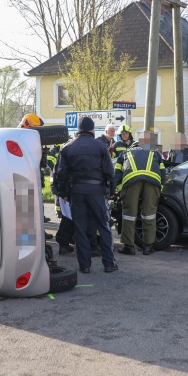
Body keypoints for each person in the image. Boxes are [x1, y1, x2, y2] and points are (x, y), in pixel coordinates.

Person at [56, 116, 117, 273]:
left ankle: (85, 266)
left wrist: (63, 192)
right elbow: (109, 172)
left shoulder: (67, 147)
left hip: (77, 191)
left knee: (80, 229)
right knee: (103, 226)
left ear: (78, 129)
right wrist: (110, 192)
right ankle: (109, 264)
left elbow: (61, 173)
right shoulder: (100, 146)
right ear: (92, 129)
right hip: (97, 191)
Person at [114, 139, 165, 255]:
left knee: (129, 215)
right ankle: (148, 247)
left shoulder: (125, 153)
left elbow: (117, 172)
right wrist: (160, 187)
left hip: (131, 181)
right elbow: (163, 171)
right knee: (149, 214)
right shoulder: (154, 153)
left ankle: (129, 247)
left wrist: (119, 189)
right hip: (152, 182)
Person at [18, 113, 53, 237]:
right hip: (23, 181)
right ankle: (29, 240)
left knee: (38, 209)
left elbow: (41, 163)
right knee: (27, 211)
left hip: (34, 179)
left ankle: (40, 234)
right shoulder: (18, 139)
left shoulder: (29, 139)